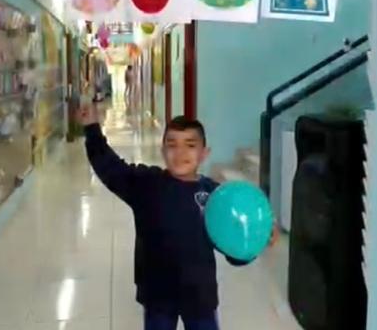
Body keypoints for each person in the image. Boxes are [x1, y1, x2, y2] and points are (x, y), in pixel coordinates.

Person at [78, 102, 277, 330]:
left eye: (190, 145)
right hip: (157, 295)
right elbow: (110, 167)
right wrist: (92, 128)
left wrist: (255, 242)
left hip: (200, 296)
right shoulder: (146, 185)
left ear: (204, 153)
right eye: (172, 145)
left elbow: (231, 246)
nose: (180, 153)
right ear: (163, 151)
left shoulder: (215, 195)